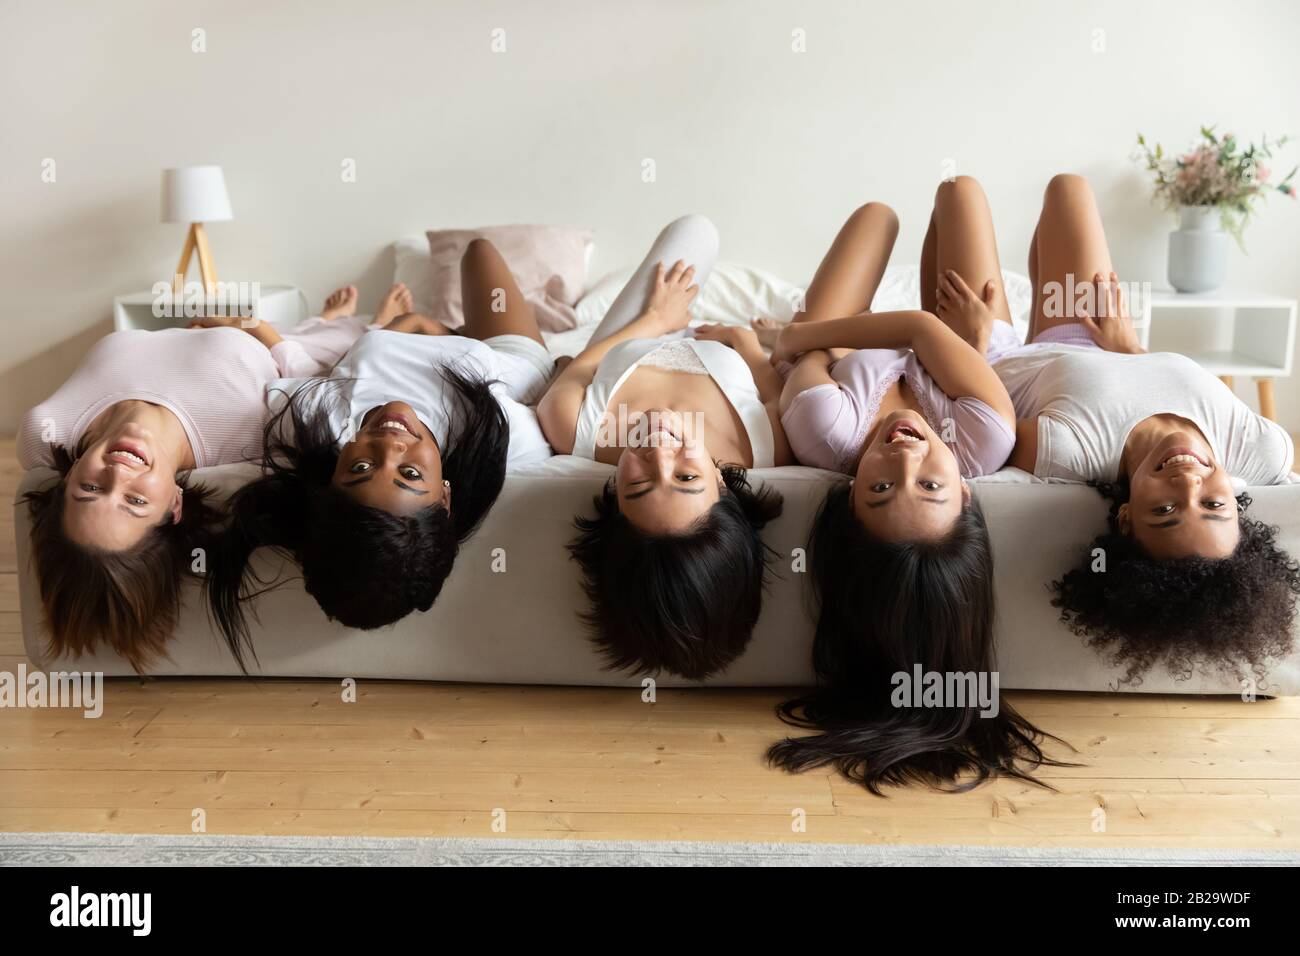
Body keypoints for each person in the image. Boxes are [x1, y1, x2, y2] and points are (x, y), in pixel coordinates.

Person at [766, 182, 1057, 792]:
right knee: (961, 192)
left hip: (842, 344)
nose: (904, 457)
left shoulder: (826, 431)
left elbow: (807, 355)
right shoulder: (985, 440)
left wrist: (797, 343)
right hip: (965, 342)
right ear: (968, 492)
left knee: (877, 215)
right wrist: (963, 347)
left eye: (878, 491)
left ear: (849, 497)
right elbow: (923, 326)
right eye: (930, 486)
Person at [995, 173, 1298, 681]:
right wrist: (1132, 350)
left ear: (1127, 518)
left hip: (1006, 356)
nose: (1188, 483)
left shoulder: (1071, 451)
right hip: (1084, 340)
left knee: (959, 194)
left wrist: (981, 339)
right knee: (1068, 189)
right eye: (1214, 505)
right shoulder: (1263, 451)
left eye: (1165, 509)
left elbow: (984, 415)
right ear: (1240, 512)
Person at [206, 239, 554, 668]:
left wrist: (250, 327)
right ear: (445, 497)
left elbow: (290, 368)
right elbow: (562, 406)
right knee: (480, 252)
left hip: (420, 335)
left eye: (362, 467)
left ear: (332, 475)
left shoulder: (318, 418)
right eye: (409, 473)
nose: (389, 445)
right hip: (502, 356)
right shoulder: (498, 436)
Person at [537, 214, 785, 680]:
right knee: (703, 231)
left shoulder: (571, 426)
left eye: (639, 485)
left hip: (633, 332)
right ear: (722, 486)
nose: (659, 453)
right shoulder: (763, 448)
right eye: (686, 477)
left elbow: (580, 367)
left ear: (614, 499)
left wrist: (656, 320)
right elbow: (773, 390)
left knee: (694, 230)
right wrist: (747, 345)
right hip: (725, 334)